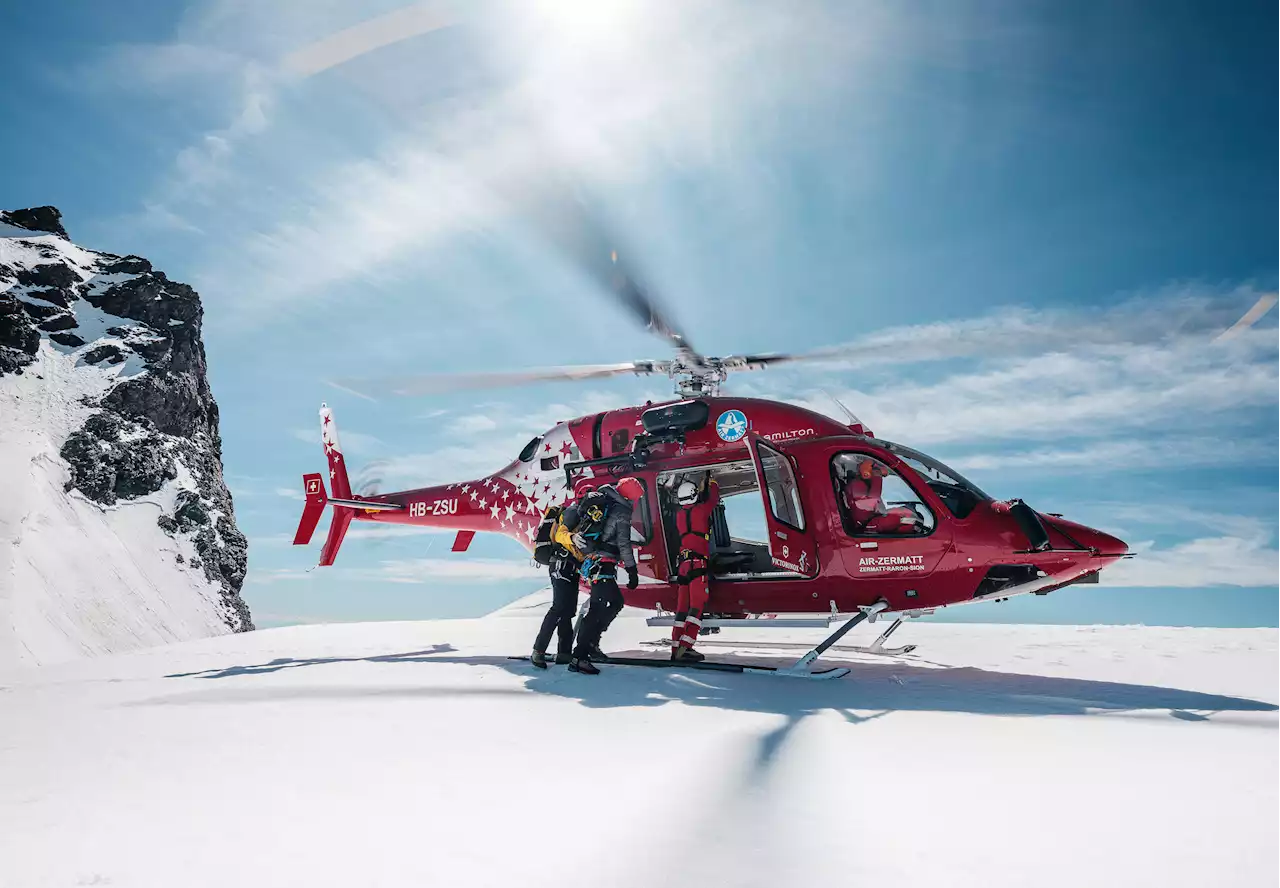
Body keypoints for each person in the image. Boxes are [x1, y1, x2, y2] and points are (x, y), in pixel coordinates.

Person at [568, 476, 644, 675]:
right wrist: (632, 569)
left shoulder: (608, 503)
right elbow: (623, 543)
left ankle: (591, 645)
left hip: (596, 563)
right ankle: (580, 656)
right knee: (597, 609)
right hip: (603, 564)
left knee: (615, 602)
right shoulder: (622, 511)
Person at [670, 473, 720, 661]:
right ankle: (686, 646)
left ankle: (675, 648)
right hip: (698, 564)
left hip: (683, 565)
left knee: (682, 608)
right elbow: (713, 498)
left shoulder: (679, 515)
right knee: (696, 607)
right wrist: (712, 481)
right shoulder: (701, 510)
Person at [530, 507, 585, 669]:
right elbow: (561, 536)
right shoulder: (573, 513)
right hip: (561, 564)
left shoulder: (585, 517)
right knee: (559, 608)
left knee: (568, 611)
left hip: (571, 567)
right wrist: (573, 538)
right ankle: (538, 651)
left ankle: (564, 653)